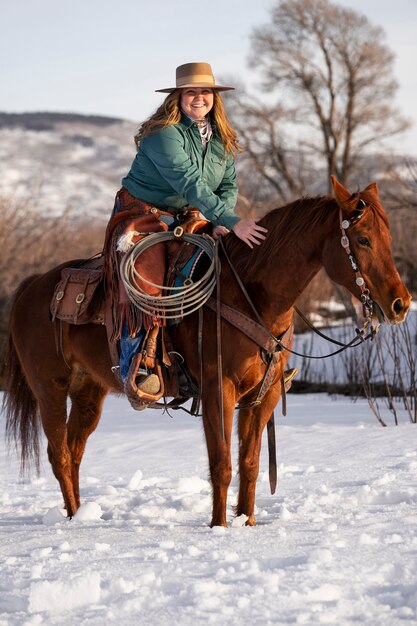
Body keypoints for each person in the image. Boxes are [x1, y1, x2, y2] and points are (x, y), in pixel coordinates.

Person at [109, 62, 269, 398]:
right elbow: (190, 182)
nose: (199, 98)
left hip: (190, 216)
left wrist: (220, 221)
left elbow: (228, 185)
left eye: (205, 92)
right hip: (143, 215)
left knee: (228, 269)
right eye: (191, 92)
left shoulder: (223, 139)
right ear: (178, 97)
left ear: (215, 97)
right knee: (146, 278)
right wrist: (232, 221)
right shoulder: (162, 133)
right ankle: (139, 366)